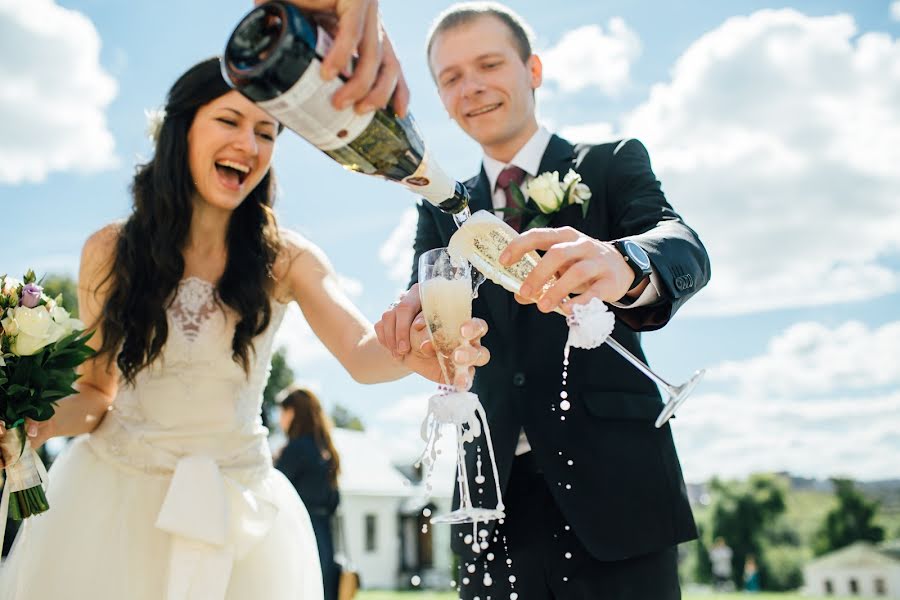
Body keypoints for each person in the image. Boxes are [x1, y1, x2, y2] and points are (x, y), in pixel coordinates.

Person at [0, 56, 489, 600]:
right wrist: (27, 425)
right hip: (111, 501)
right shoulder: (109, 251)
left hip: (242, 511)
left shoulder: (288, 258)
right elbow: (94, 394)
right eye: (229, 122)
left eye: (266, 132)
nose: (250, 145)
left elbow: (359, 349)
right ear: (181, 129)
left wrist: (408, 351)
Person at [376, 3, 711, 598]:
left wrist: (625, 264)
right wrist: (419, 327)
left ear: (533, 69)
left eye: (488, 64)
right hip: (493, 500)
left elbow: (681, 246)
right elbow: (429, 300)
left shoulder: (608, 165)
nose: (471, 86)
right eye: (451, 77)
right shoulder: (438, 210)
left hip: (618, 496)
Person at [276, 387, 342, 600]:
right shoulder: (326, 449)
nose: (280, 419)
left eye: (283, 412)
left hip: (300, 530)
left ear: (293, 412)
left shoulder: (295, 449)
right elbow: (335, 500)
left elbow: (275, 491)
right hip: (325, 534)